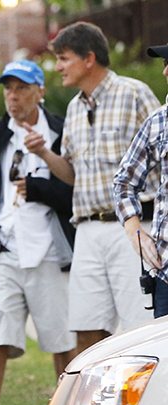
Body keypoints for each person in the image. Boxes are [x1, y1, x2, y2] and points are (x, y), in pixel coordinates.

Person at [25, 22, 162, 352]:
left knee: (139, 329)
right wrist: (44, 153)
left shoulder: (135, 94)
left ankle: (142, 403)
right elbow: (73, 175)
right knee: (85, 328)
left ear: (89, 59)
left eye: (63, 58)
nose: (57, 66)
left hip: (132, 228)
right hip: (85, 231)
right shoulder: (73, 107)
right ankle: (95, 403)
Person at [0, 61, 75, 405]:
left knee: (62, 334)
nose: (13, 96)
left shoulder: (62, 131)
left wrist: (40, 187)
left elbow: (79, 190)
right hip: (6, 250)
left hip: (51, 251)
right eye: (8, 89)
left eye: (22, 88)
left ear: (40, 91)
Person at [113, 43, 168, 317]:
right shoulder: (158, 122)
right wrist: (136, 233)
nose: (166, 72)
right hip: (167, 275)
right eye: (165, 65)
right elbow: (123, 184)